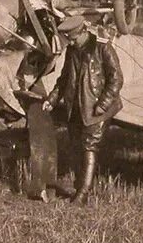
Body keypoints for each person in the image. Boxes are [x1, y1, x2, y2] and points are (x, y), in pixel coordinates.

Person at [52, 14, 123, 202]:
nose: (71, 43)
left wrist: (103, 104)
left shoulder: (102, 47)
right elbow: (64, 78)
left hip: (96, 109)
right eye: (69, 39)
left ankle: (83, 193)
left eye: (73, 38)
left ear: (83, 32)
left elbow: (116, 79)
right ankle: (78, 186)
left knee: (89, 146)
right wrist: (51, 100)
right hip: (76, 107)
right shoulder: (72, 51)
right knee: (76, 146)